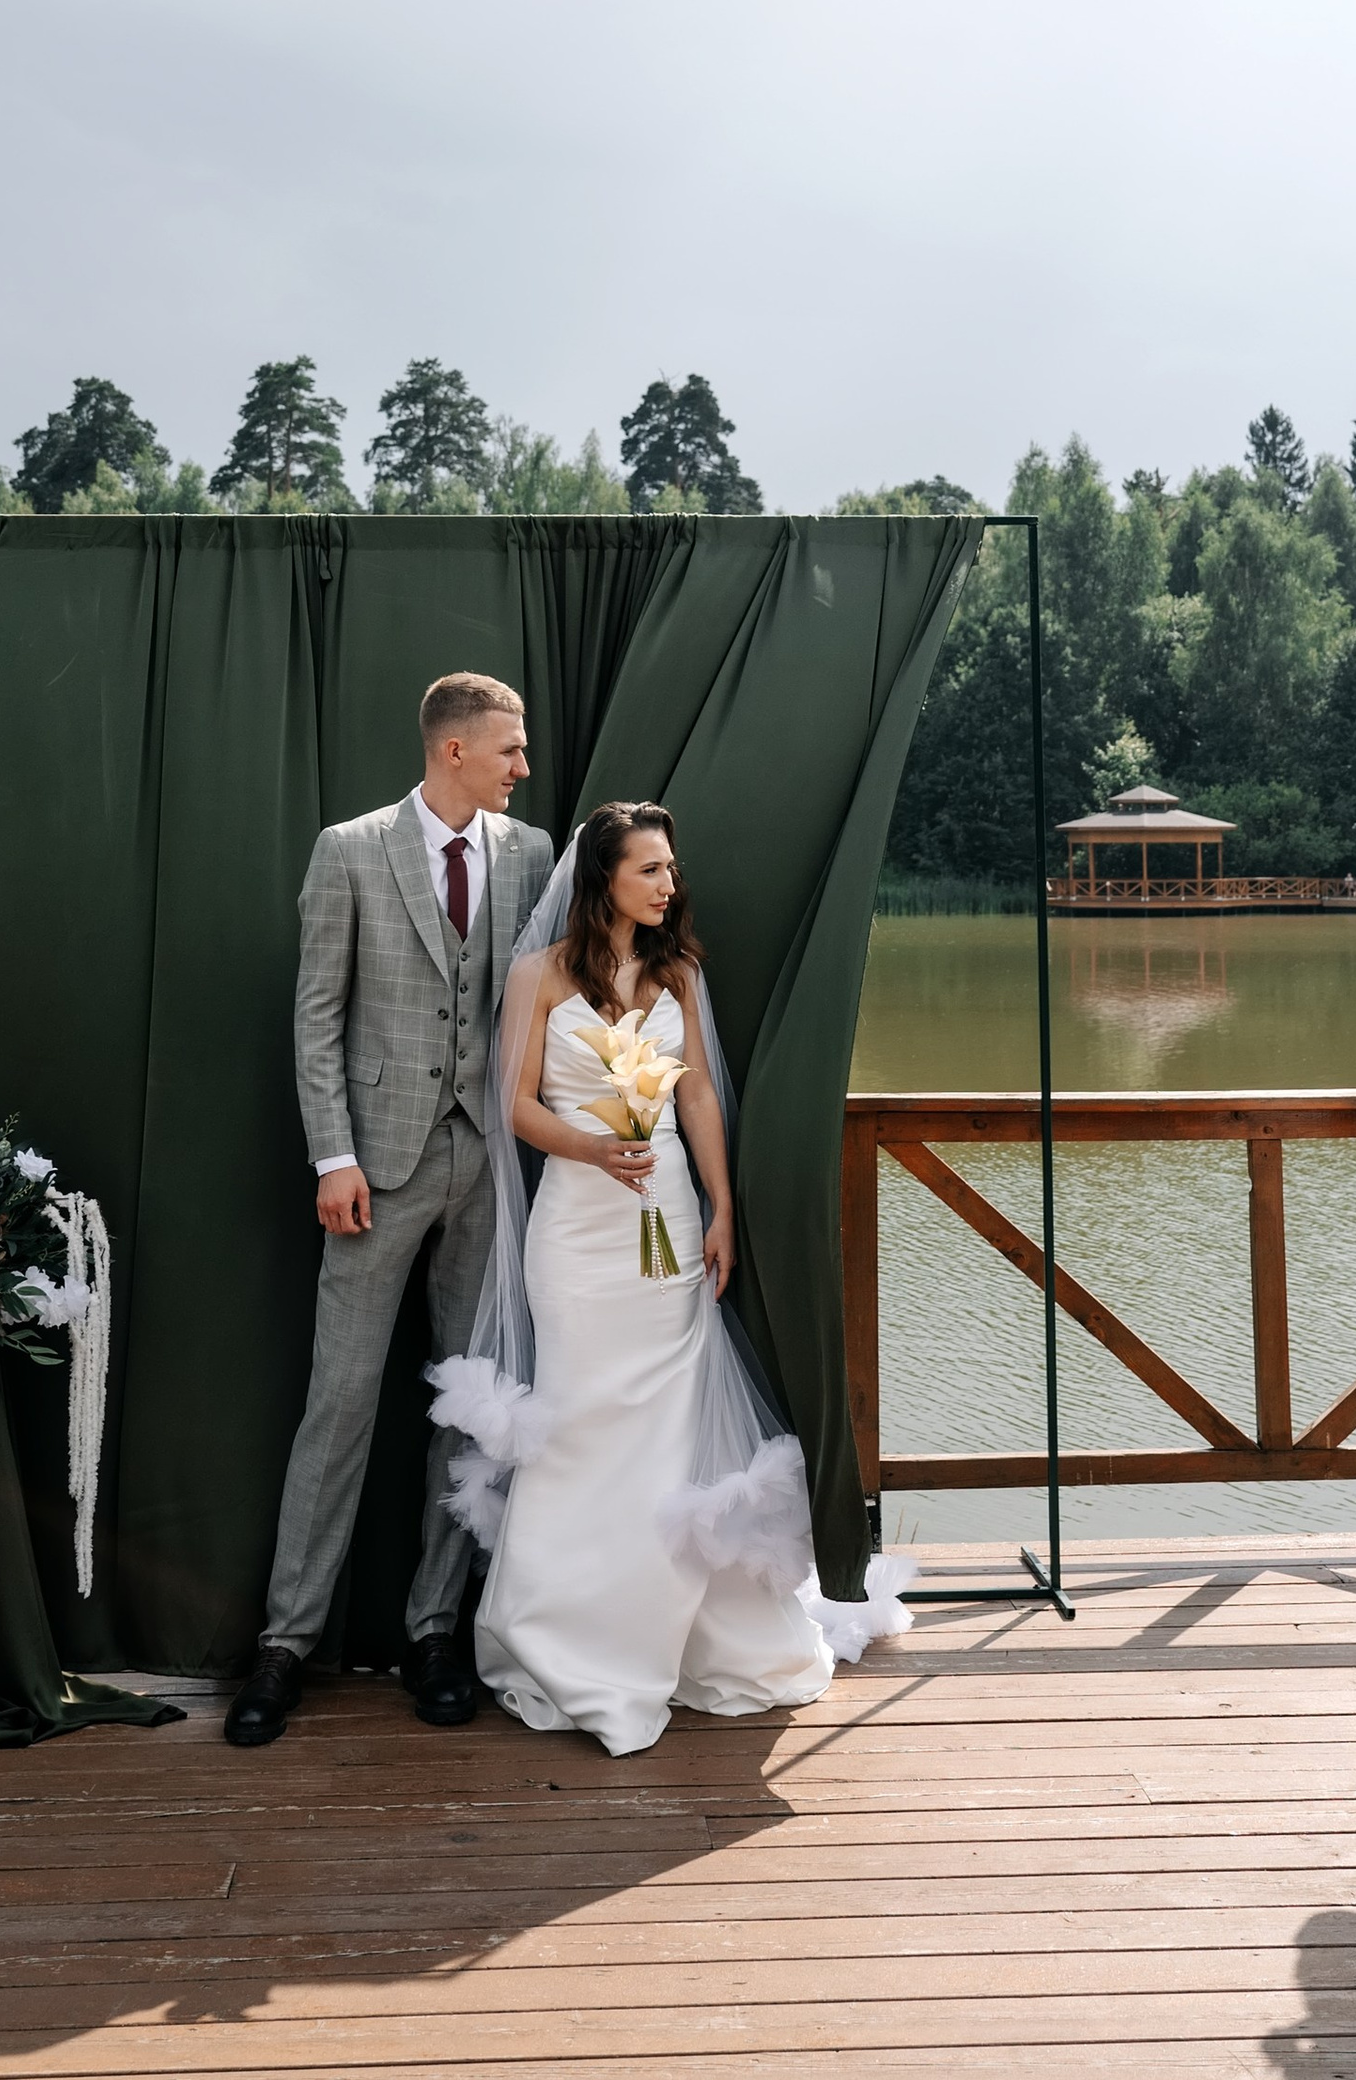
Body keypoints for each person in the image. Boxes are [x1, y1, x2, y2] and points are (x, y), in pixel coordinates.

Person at [435, 800, 909, 1755]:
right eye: (649, 869)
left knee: (670, 1414)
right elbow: (514, 1106)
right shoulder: (538, 975)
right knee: (584, 1414)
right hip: (578, 1224)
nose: (667, 885)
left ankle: (684, 1629)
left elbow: (694, 1092)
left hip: (671, 1212)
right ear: (601, 878)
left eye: (670, 869)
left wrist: (722, 1207)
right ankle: (570, 1634)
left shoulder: (679, 972)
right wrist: (591, 1145)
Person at [225, 672, 554, 1748]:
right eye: (508, 747)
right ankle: (285, 1640)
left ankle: (433, 1629)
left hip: (488, 1163)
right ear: (452, 748)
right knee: (340, 1404)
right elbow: (314, 1015)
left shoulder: (530, 852)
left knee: (467, 1407)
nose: (522, 765)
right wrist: (334, 1154)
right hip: (375, 1169)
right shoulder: (350, 847)